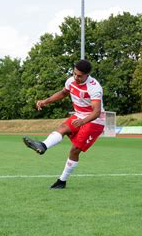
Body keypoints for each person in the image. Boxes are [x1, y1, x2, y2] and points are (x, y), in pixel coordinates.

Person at [23, 59, 105, 189]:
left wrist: (83, 122)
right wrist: (45, 101)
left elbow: (96, 112)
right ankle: (43, 145)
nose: (76, 77)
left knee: (74, 150)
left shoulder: (94, 87)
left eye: (79, 76)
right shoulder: (70, 81)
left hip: (94, 121)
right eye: (74, 74)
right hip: (79, 115)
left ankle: (62, 181)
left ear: (87, 75)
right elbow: (63, 93)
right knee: (63, 128)